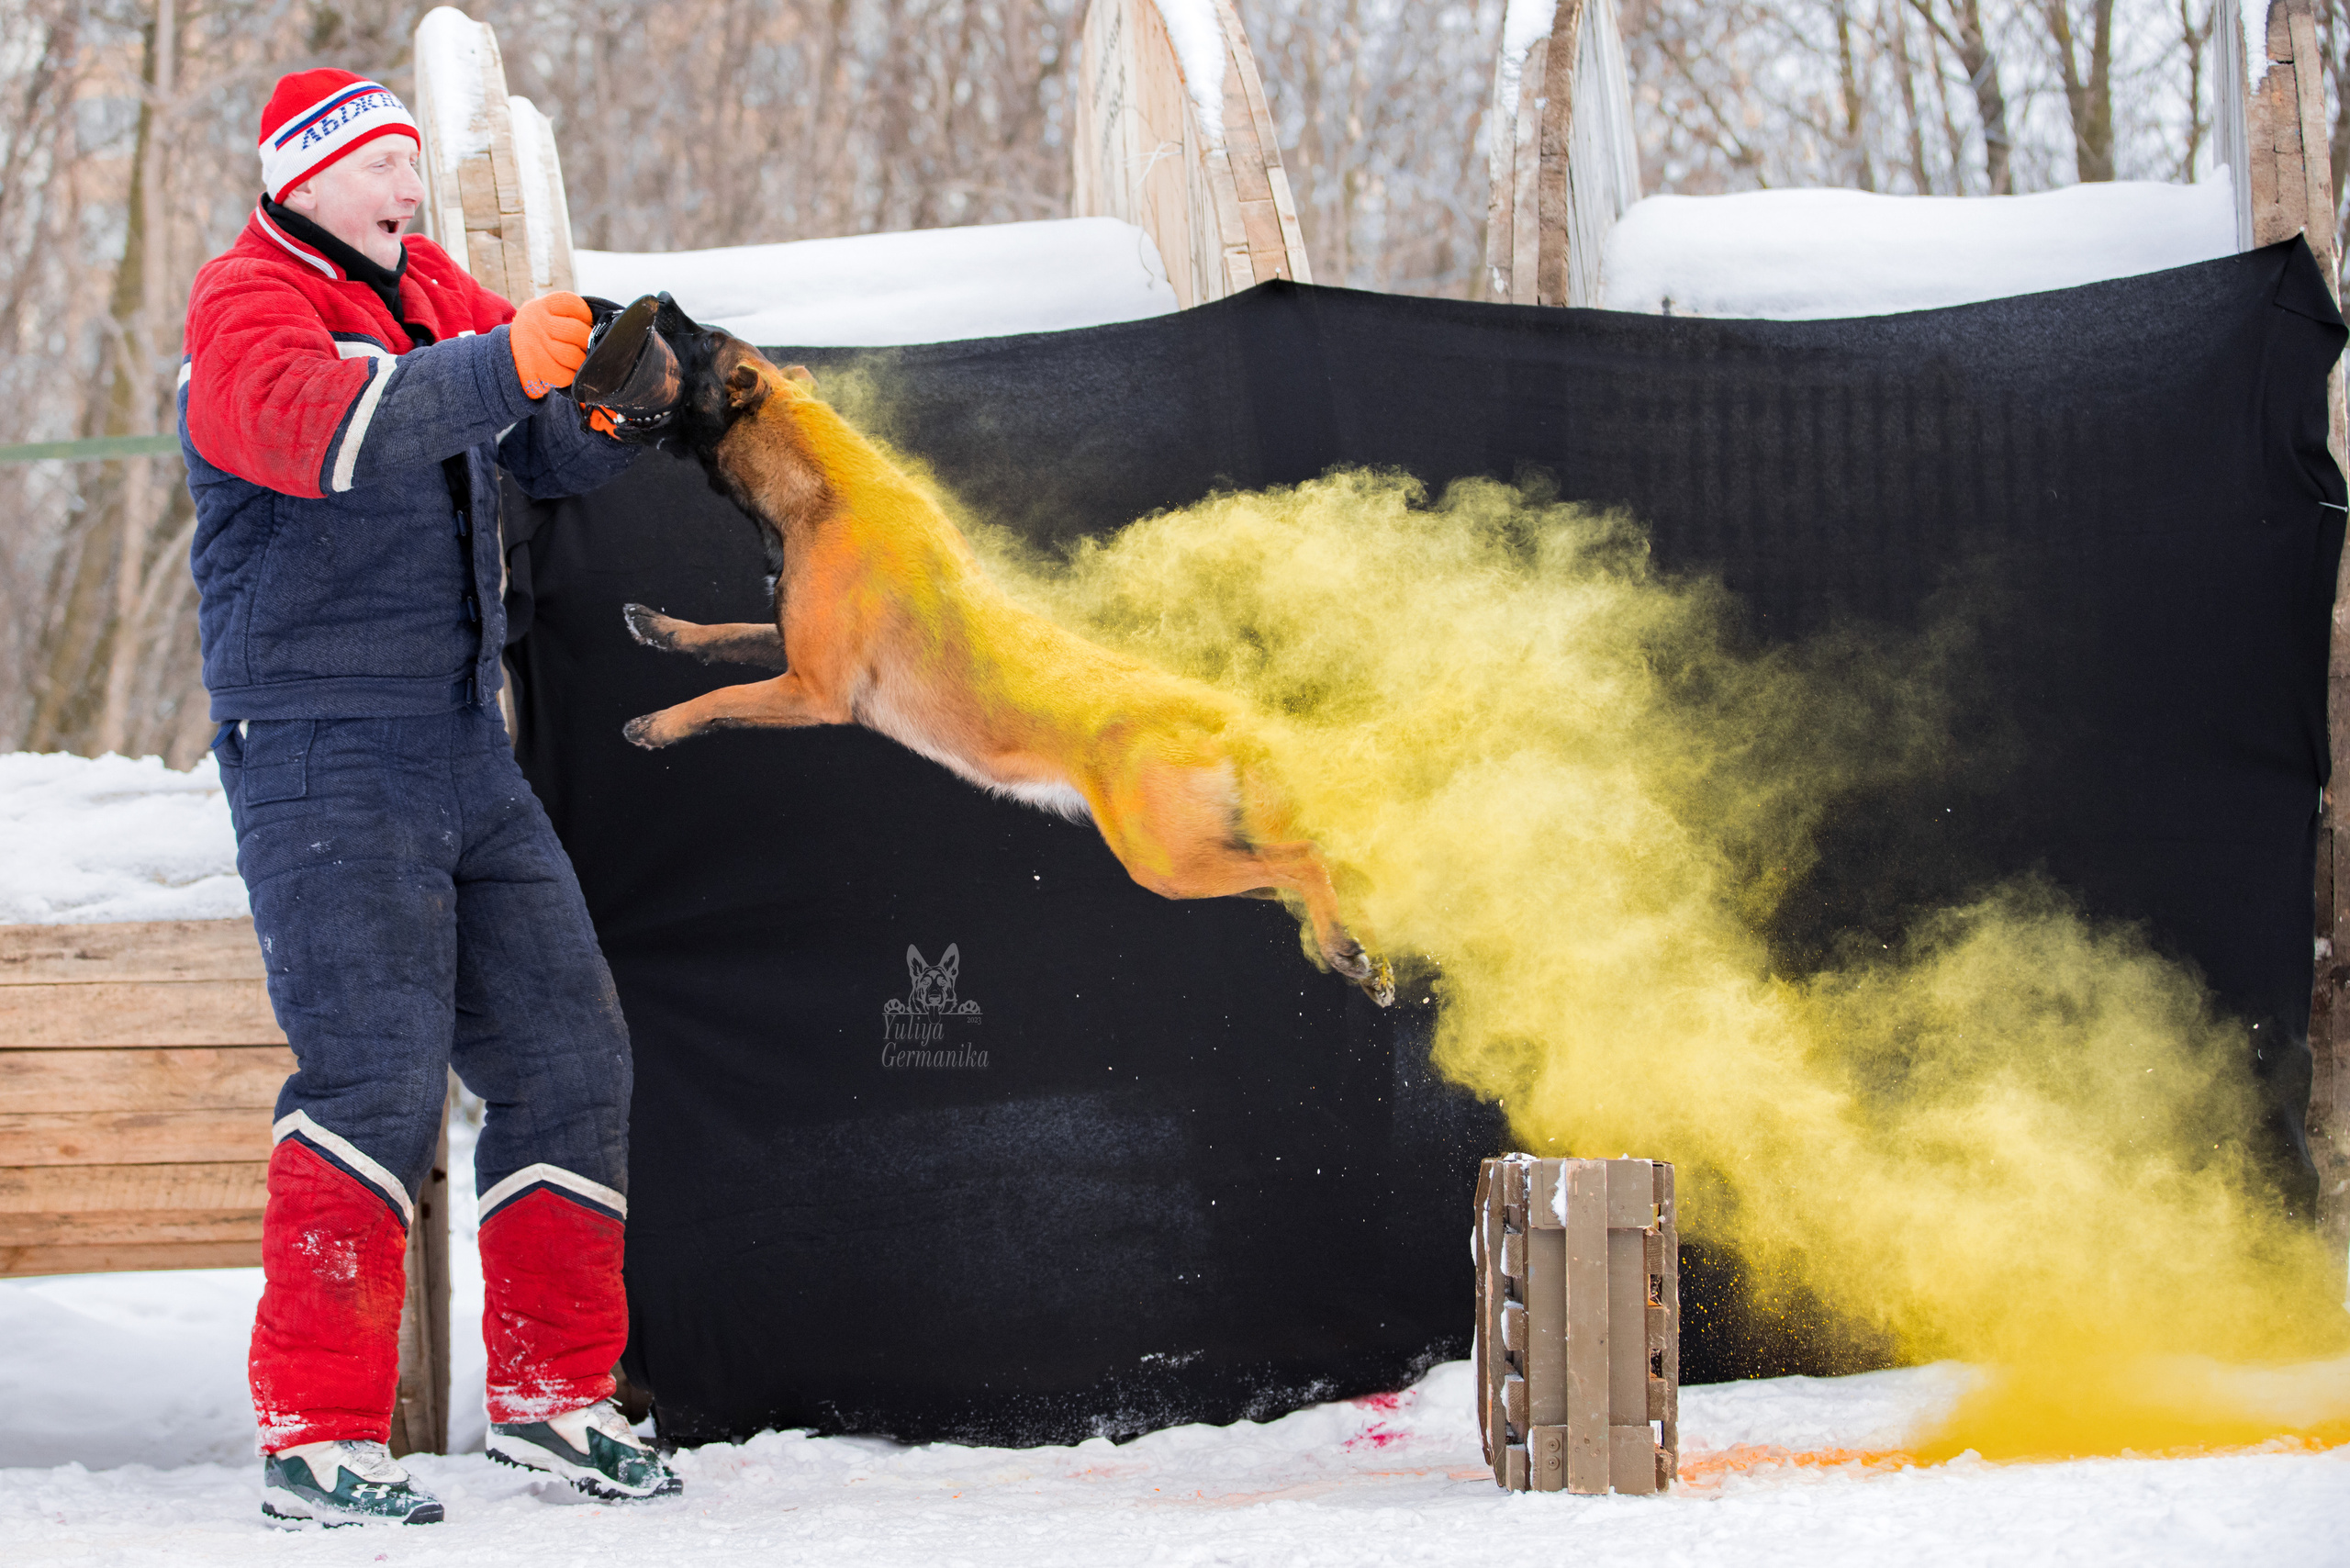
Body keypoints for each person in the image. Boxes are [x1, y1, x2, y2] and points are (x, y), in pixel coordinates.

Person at [178, 69, 679, 1527]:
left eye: (411, 161)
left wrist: (608, 409)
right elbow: (320, 434)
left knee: (568, 1058)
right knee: (372, 1084)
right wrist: (499, 364)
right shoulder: (243, 302)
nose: (407, 189)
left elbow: (532, 456)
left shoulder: (428, 285)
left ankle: (554, 1400)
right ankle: (316, 1433)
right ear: (305, 179)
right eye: (380, 166)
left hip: (464, 739)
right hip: (324, 741)